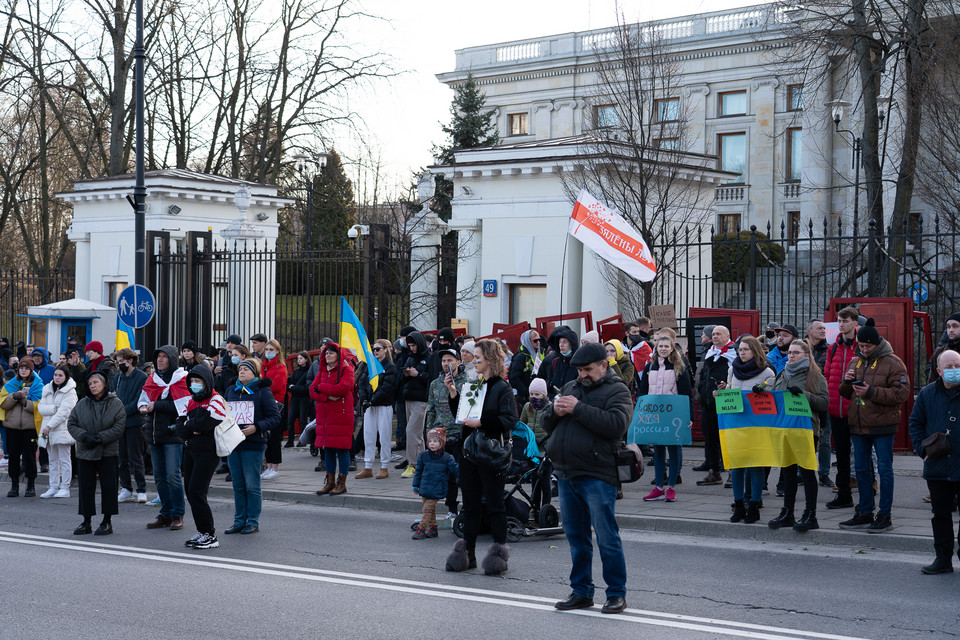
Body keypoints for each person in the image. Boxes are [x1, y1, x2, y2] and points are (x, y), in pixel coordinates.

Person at [543, 342, 632, 614]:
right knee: (576, 537)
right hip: (567, 473)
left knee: (606, 537)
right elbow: (547, 423)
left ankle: (616, 593)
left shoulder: (618, 390)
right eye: (580, 370)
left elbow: (616, 425)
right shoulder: (570, 387)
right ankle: (581, 591)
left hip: (598, 474)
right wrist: (554, 412)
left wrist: (578, 408)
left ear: (604, 365)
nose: (583, 374)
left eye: (588, 369)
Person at [444, 339, 518, 576]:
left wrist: (483, 422)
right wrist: (453, 393)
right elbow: (463, 416)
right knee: (471, 506)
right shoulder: (474, 384)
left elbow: (509, 420)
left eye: (478, 357)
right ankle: (468, 554)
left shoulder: (502, 388)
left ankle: (498, 556)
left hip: (491, 454)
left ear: (490, 360)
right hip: (469, 453)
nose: (474, 361)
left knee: (496, 505)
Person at [838, 318, 911, 533]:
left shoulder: (893, 362)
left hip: (882, 426)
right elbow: (845, 394)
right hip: (859, 425)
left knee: (885, 471)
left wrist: (871, 391)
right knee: (861, 470)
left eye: (867, 346)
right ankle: (865, 511)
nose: (864, 349)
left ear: (877, 344)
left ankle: (885, 514)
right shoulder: (855, 361)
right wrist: (846, 381)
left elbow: (902, 394)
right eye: (861, 346)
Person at [766, 340, 829, 532]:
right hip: (784, 428)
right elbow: (776, 399)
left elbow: (824, 403)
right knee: (787, 472)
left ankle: (811, 515)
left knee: (808, 471)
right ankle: (788, 512)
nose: (791, 356)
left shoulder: (815, 375)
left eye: (796, 353)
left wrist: (803, 394)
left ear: (806, 355)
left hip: (806, 430)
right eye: (790, 353)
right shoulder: (783, 373)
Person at [909, 350, 960, 574]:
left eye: (957, 364)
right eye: (948, 366)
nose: (953, 369)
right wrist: (923, 450)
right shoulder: (928, 393)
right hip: (938, 465)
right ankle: (943, 559)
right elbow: (915, 423)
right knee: (941, 515)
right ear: (939, 371)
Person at [716, 335, 775, 522]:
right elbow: (731, 393)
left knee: (755, 465)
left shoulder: (767, 373)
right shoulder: (732, 369)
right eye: (740, 349)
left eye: (745, 349)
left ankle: (754, 506)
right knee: (737, 466)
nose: (741, 353)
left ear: (755, 351)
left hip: (756, 426)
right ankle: (739, 505)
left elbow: (770, 402)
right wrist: (722, 393)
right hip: (735, 424)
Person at [225, 358, 280, 535]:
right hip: (234, 444)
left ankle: (253, 521)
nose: (242, 372)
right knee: (238, 485)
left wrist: (256, 427)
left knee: (252, 485)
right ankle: (239, 520)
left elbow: (274, 417)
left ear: (255, 373)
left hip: (253, 444)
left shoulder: (263, 391)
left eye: (246, 370)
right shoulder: (231, 390)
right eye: (240, 369)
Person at [66, 371, 125, 535]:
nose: (92, 386)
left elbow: (119, 427)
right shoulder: (82, 403)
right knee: (85, 487)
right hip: (86, 450)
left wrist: (99, 438)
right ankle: (86, 521)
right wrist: (85, 437)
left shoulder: (115, 403)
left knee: (109, 487)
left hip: (107, 451)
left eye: (96, 382)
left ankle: (107, 521)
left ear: (105, 384)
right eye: (90, 383)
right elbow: (72, 424)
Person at [177, 364, 227, 548]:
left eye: (198, 381)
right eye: (192, 381)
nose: (195, 384)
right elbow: (180, 427)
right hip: (191, 450)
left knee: (197, 492)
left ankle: (210, 534)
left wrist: (191, 425)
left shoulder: (216, 400)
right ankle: (202, 531)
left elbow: (207, 424)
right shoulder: (191, 401)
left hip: (208, 453)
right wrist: (192, 426)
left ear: (206, 381)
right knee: (190, 491)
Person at [640, 333, 694, 504]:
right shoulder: (650, 367)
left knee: (673, 448)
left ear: (672, 348)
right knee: (658, 450)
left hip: (673, 413)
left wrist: (689, 417)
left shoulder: (679, 367)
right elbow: (642, 392)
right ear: (656, 348)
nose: (663, 349)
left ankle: (671, 487)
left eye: (666, 346)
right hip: (654, 413)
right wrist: (641, 413)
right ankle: (658, 488)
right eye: (660, 346)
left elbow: (686, 394)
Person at [140, 345, 188, 531]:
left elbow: (181, 407)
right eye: (158, 356)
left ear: (173, 359)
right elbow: (143, 401)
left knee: (173, 476)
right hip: (154, 433)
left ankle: (178, 514)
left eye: (164, 357)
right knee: (159, 477)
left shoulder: (181, 379)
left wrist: (156, 405)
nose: (160, 360)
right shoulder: (153, 379)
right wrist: (144, 407)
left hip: (172, 434)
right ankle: (166, 513)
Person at [824, 306, 861, 509]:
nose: (841, 324)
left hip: (857, 409)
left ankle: (866, 494)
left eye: (845, 321)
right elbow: (828, 375)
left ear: (855, 323)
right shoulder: (834, 347)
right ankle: (844, 494)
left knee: (862, 455)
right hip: (836, 410)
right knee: (842, 456)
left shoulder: (862, 346)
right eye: (839, 320)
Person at [312, 343, 356, 496]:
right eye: (326, 353)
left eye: (331, 353)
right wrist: (328, 396)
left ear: (339, 355)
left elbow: (343, 388)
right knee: (328, 448)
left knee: (342, 449)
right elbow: (312, 390)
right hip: (325, 417)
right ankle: (330, 482)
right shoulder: (323, 370)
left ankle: (341, 483)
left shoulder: (346, 369)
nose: (328, 355)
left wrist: (321, 387)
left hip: (341, 415)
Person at [695, 325, 736, 485]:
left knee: (728, 438)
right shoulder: (709, 352)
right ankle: (714, 471)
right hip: (708, 402)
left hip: (726, 402)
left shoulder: (733, 353)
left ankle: (733, 472)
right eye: (713, 334)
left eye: (718, 334)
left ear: (727, 336)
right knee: (710, 439)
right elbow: (702, 375)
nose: (715, 336)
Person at [1, 359, 44, 497]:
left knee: (30, 457)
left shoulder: (39, 385)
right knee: (13, 457)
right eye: (21, 368)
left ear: (31, 370)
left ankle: (30, 485)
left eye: (26, 368)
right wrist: (14, 396)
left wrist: (27, 402)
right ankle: (14, 485)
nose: (23, 370)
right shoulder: (11, 385)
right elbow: (3, 404)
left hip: (30, 427)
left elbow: (41, 407)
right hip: (12, 427)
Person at [355, 339, 397, 479]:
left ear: (385, 349)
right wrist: (365, 399)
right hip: (369, 406)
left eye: (378, 349)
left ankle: (384, 466)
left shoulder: (390, 367)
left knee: (384, 436)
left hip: (383, 405)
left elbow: (387, 387)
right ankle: (368, 466)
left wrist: (373, 401)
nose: (375, 351)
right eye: (374, 349)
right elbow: (362, 383)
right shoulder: (370, 366)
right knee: (368, 435)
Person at [112, 348, 149, 503]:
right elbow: (113, 395)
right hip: (120, 424)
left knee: (136, 457)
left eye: (122, 361)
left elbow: (138, 400)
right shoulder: (118, 377)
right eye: (118, 361)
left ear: (130, 360)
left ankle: (141, 489)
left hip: (134, 422)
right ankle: (126, 488)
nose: (119, 364)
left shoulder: (142, 377)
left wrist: (120, 411)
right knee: (121, 458)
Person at [412, 427, 459, 540]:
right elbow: (418, 472)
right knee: (431, 510)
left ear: (442, 443)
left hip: (438, 488)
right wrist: (416, 484)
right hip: (425, 487)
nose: (432, 444)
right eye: (430, 441)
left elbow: (456, 470)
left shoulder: (447, 458)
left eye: (435, 441)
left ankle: (421, 529)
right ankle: (433, 529)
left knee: (427, 509)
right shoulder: (423, 456)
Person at [38, 365, 78, 498]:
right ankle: (53, 486)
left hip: (62, 429)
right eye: (55, 375)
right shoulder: (47, 388)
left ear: (66, 377)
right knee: (52, 460)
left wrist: (49, 425)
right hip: (47, 429)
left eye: (60, 375)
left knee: (65, 459)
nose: (57, 378)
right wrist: (54, 408)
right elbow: (41, 408)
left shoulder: (70, 392)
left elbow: (64, 413)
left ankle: (65, 487)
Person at [398, 331, 431, 477]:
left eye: (414, 345)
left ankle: (413, 464)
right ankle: (423, 463)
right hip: (409, 398)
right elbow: (401, 380)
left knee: (411, 432)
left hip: (421, 400)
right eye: (410, 345)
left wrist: (419, 375)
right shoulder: (410, 358)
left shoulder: (430, 358)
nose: (412, 348)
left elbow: (432, 378)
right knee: (417, 434)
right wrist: (405, 375)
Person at [806, 319, 834, 488]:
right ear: (810, 331)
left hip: (823, 399)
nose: (823, 331)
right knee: (805, 437)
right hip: (803, 398)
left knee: (824, 439)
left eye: (824, 328)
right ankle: (803, 472)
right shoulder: (801, 347)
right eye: (819, 328)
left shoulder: (830, 349)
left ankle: (824, 473)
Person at [261, 338, 289, 480]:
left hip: (275, 406)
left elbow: (275, 385)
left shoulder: (281, 367)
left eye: (271, 350)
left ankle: (275, 467)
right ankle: (269, 465)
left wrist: (261, 386)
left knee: (275, 438)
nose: (268, 352)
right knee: (267, 438)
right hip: (264, 404)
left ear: (278, 351)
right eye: (267, 350)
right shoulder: (263, 366)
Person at [539, 326, 579, 398]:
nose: (561, 345)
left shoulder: (578, 364)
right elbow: (548, 382)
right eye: (560, 342)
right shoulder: (555, 361)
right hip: (554, 401)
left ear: (572, 344)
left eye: (565, 342)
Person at [508, 329, 544, 407]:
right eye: (535, 341)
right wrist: (528, 392)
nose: (538, 342)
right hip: (525, 398)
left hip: (538, 396)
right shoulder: (520, 357)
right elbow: (514, 378)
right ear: (528, 341)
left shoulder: (539, 353)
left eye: (539, 340)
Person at [286, 351, 312, 448]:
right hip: (295, 398)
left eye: (301, 358)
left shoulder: (309, 371)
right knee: (290, 419)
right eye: (298, 358)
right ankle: (290, 440)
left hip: (304, 399)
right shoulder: (296, 372)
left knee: (303, 420)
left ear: (306, 359)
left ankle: (302, 440)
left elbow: (306, 388)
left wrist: (294, 388)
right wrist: (293, 387)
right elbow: (288, 385)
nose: (299, 360)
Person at [928, 312, 960, 385]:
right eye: (948, 326)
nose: (951, 330)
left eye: (955, 326)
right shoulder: (939, 352)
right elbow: (932, 379)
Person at [519, 377, 551, 447]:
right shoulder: (527, 406)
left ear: (544, 395)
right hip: (530, 443)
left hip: (545, 444)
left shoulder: (550, 407)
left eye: (537, 394)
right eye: (531, 394)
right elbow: (522, 423)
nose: (533, 397)